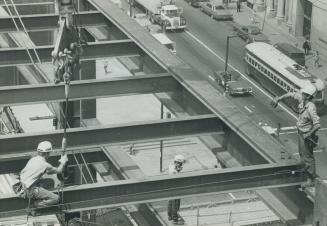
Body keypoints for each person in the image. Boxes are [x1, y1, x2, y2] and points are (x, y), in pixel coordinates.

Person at [271, 86, 320, 186]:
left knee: (308, 157)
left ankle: (311, 179)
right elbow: (291, 94)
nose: (301, 95)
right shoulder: (303, 100)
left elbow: (317, 125)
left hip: (307, 135)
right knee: (302, 154)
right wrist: (279, 99)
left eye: (303, 94)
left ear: (308, 96)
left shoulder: (311, 108)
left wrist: (308, 134)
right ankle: (306, 174)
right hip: (301, 132)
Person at [16, 141, 68, 208]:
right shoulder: (45, 164)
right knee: (56, 198)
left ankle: (44, 195)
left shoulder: (33, 159)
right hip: (29, 190)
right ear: (47, 153)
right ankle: (35, 205)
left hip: (21, 186)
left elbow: (48, 172)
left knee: (50, 181)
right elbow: (59, 170)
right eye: (49, 153)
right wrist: (63, 162)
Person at [168, 155, 186, 225]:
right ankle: (175, 219)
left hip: (170, 186)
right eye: (180, 163)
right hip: (176, 187)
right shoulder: (174, 171)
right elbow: (177, 176)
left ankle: (170, 216)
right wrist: (179, 171)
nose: (181, 165)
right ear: (177, 163)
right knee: (175, 203)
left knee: (170, 201)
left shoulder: (171, 165)